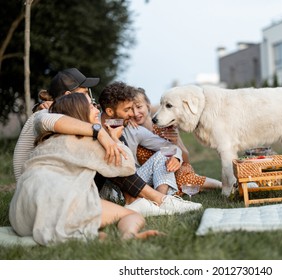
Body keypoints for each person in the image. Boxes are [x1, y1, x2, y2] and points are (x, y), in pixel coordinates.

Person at [13, 68, 202, 217]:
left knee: (110, 150)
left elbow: (159, 148)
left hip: (65, 185)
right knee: (105, 149)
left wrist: (175, 154)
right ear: (70, 95)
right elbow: (44, 121)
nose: (92, 100)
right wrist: (101, 133)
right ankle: (156, 200)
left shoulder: (114, 124)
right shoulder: (47, 114)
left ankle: (157, 199)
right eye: (86, 93)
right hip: (46, 190)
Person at [9, 93, 161, 245]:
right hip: (59, 202)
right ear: (79, 112)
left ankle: (90, 234)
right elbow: (127, 167)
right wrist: (114, 139)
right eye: (91, 106)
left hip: (21, 213)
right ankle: (128, 237)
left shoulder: (45, 140)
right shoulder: (90, 141)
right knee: (132, 216)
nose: (96, 108)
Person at [98, 82, 202, 213]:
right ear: (109, 111)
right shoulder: (92, 126)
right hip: (110, 188)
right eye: (127, 110)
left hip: (134, 179)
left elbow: (168, 146)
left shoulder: (132, 128)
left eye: (133, 108)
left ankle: (160, 202)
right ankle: (162, 202)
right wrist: (112, 138)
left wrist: (175, 157)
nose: (132, 114)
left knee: (165, 155)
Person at [132, 88, 222, 194]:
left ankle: (221, 185)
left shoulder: (166, 125)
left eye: (139, 107)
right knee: (181, 182)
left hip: (178, 171)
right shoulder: (132, 131)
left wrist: (176, 142)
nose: (135, 113)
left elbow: (186, 160)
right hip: (153, 178)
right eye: (130, 109)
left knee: (184, 179)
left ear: (148, 105)